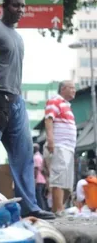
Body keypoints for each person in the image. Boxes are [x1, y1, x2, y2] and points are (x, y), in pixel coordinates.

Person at [0, 0, 55, 220]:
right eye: (16, 6)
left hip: (17, 101)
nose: (21, 10)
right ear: (4, 6)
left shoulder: (18, 37)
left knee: (24, 156)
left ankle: (30, 207)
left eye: (23, 6)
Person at [45, 80, 77, 216]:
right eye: (71, 88)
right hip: (59, 145)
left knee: (67, 183)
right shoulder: (55, 101)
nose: (74, 90)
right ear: (63, 89)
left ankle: (57, 209)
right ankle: (59, 210)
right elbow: (48, 119)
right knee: (58, 178)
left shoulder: (67, 105)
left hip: (68, 148)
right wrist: (51, 140)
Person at [33, 143, 48, 210]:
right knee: (42, 196)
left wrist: (35, 180)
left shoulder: (36, 157)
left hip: (38, 180)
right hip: (43, 180)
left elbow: (36, 169)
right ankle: (45, 209)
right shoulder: (41, 156)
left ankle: (42, 209)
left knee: (39, 196)